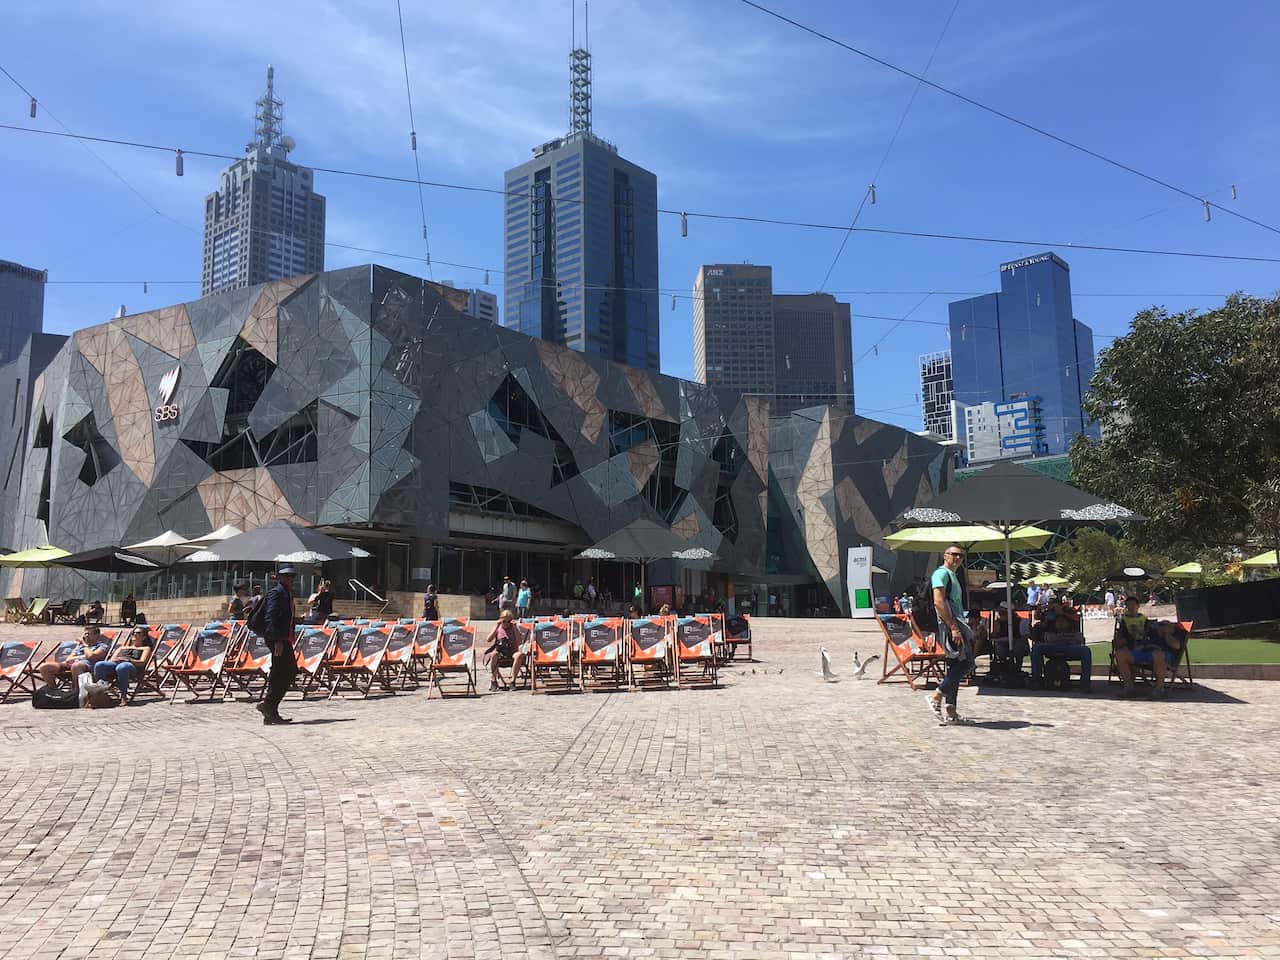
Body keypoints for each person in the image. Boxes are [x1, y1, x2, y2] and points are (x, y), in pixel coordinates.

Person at [926, 545, 976, 725]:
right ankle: (937, 696)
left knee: (956, 665)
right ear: (945, 556)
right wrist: (953, 627)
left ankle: (951, 710)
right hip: (950, 625)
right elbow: (938, 602)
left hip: (956, 623)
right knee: (967, 663)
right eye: (954, 554)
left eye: (961, 555)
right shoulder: (940, 574)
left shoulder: (953, 576)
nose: (958, 558)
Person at [257, 565, 298, 725]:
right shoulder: (277, 593)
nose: (290, 579)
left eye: (292, 576)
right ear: (279, 577)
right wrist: (277, 641)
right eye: (286, 576)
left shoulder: (286, 593)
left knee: (279, 672)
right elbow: (271, 617)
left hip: (282, 637)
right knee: (289, 671)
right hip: (277, 638)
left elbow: (281, 616)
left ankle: (270, 711)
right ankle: (269, 704)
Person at [1030, 598, 1092, 691]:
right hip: (1052, 644)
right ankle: (1037, 680)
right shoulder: (1048, 614)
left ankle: (1085, 683)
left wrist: (1062, 613)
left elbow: (1077, 630)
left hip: (1069, 645)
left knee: (1086, 650)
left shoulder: (1069, 612)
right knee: (1037, 648)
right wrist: (1045, 619)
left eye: (1053, 604)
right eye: (1050, 604)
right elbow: (1040, 628)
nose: (1051, 606)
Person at [93, 625, 154, 703]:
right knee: (99, 665)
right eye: (133, 633)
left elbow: (142, 662)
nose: (135, 634)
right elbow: (112, 659)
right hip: (117, 664)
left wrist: (128, 660)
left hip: (134, 667)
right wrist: (119, 660)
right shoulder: (123, 647)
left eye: (138, 633)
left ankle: (123, 696)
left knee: (122, 667)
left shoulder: (146, 648)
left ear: (144, 637)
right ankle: (102, 691)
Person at [38, 625, 111, 688]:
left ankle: (75, 691)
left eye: (88, 634)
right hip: (70, 665)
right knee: (44, 666)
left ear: (97, 635)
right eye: (85, 634)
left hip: (86, 666)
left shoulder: (102, 646)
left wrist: (85, 646)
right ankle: (53, 690)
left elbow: (91, 656)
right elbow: (69, 659)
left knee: (76, 665)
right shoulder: (79, 646)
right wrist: (82, 655)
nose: (86, 636)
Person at [483, 610, 522, 691]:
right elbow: (488, 639)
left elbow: (519, 642)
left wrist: (515, 627)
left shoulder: (513, 628)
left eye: (508, 621)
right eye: (504, 621)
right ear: (500, 620)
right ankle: (493, 680)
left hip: (512, 652)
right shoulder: (498, 628)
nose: (506, 623)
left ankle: (513, 681)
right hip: (500, 652)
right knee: (493, 654)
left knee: (519, 655)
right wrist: (497, 626)